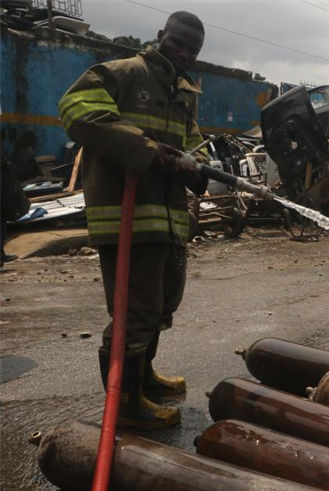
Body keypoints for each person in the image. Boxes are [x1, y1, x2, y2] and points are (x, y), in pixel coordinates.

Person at [58, 11, 208, 428]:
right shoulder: (122, 74)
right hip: (127, 217)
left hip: (167, 216)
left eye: (192, 50)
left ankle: (142, 377)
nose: (184, 54)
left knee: (161, 303)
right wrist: (146, 149)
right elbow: (78, 110)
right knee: (135, 310)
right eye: (178, 43)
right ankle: (125, 403)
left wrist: (199, 166)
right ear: (160, 35)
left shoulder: (183, 92)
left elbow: (194, 141)